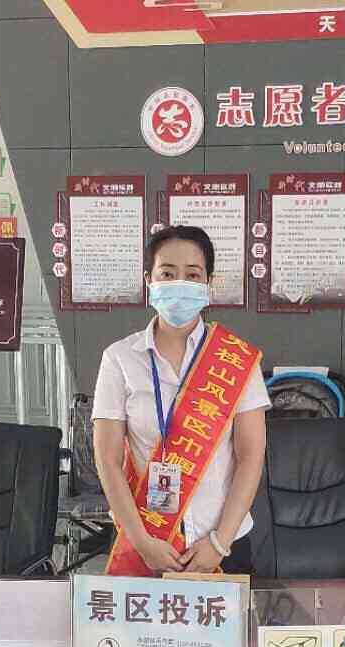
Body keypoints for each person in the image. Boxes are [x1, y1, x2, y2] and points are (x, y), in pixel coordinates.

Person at [92, 225, 269, 576]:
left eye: (192, 275)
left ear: (208, 284)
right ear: (149, 280)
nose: (179, 283)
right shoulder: (119, 359)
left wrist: (219, 543)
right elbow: (107, 459)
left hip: (223, 544)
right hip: (146, 541)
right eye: (167, 273)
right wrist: (142, 543)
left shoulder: (237, 360)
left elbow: (250, 456)